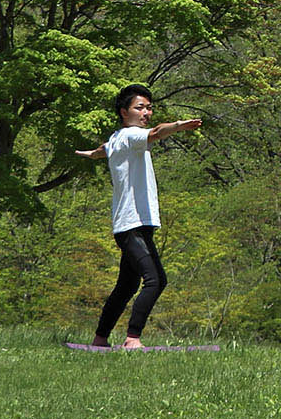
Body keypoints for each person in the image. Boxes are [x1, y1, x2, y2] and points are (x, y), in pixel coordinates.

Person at [73, 84, 201, 349]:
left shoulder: (117, 138)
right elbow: (155, 133)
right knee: (156, 280)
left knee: (126, 286)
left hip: (132, 225)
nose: (146, 113)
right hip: (133, 226)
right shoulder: (132, 135)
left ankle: (100, 339)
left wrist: (92, 154)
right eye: (139, 108)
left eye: (149, 108)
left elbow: (104, 149)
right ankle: (132, 338)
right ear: (124, 112)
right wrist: (178, 126)